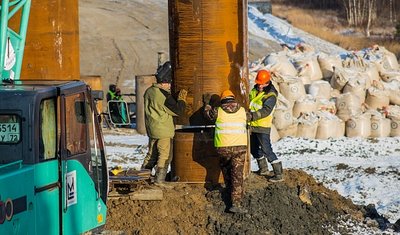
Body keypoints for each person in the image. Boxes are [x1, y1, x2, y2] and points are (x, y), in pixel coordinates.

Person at [141, 61, 187, 183]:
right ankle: (159, 181)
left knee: (151, 155)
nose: (170, 86)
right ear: (164, 82)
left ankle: (141, 178)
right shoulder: (163, 95)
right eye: (169, 83)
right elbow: (177, 110)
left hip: (152, 130)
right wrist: (182, 99)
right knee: (164, 156)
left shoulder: (149, 92)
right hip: (164, 132)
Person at [204, 90, 248, 214]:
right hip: (239, 147)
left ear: (222, 100)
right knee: (237, 175)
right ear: (233, 99)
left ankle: (229, 189)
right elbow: (251, 117)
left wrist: (207, 104)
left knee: (226, 167)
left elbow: (206, 115)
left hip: (222, 148)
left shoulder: (217, 111)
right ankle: (236, 204)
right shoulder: (242, 111)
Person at [248, 69, 283, 182]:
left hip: (262, 126)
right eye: (258, 83)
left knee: (266, 150)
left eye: (261, 84)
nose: (259, 86)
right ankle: (263, 169)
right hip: (252, 125)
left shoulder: (271, 95)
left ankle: (278, 174)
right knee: (253, 149)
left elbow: (266, 110)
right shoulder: (254, 90)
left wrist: (251, 115)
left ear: (267, 82)